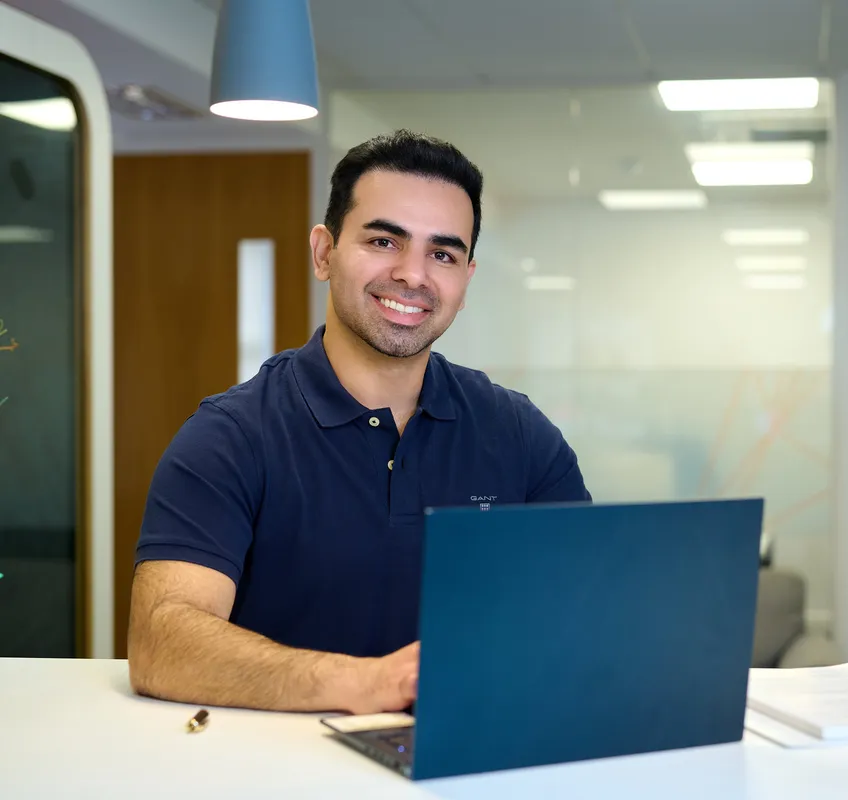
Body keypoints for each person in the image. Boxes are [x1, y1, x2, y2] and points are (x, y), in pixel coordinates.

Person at [126, 130, 591, 715]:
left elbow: (584, 615)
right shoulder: (230, 436)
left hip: (465, 758)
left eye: (442, 254)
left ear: (465, 281)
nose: (413, 275)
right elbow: (162, 644)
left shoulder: (520, 435)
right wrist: (369, 685)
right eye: (383, 240)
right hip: (276, 769)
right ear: (324, 253)